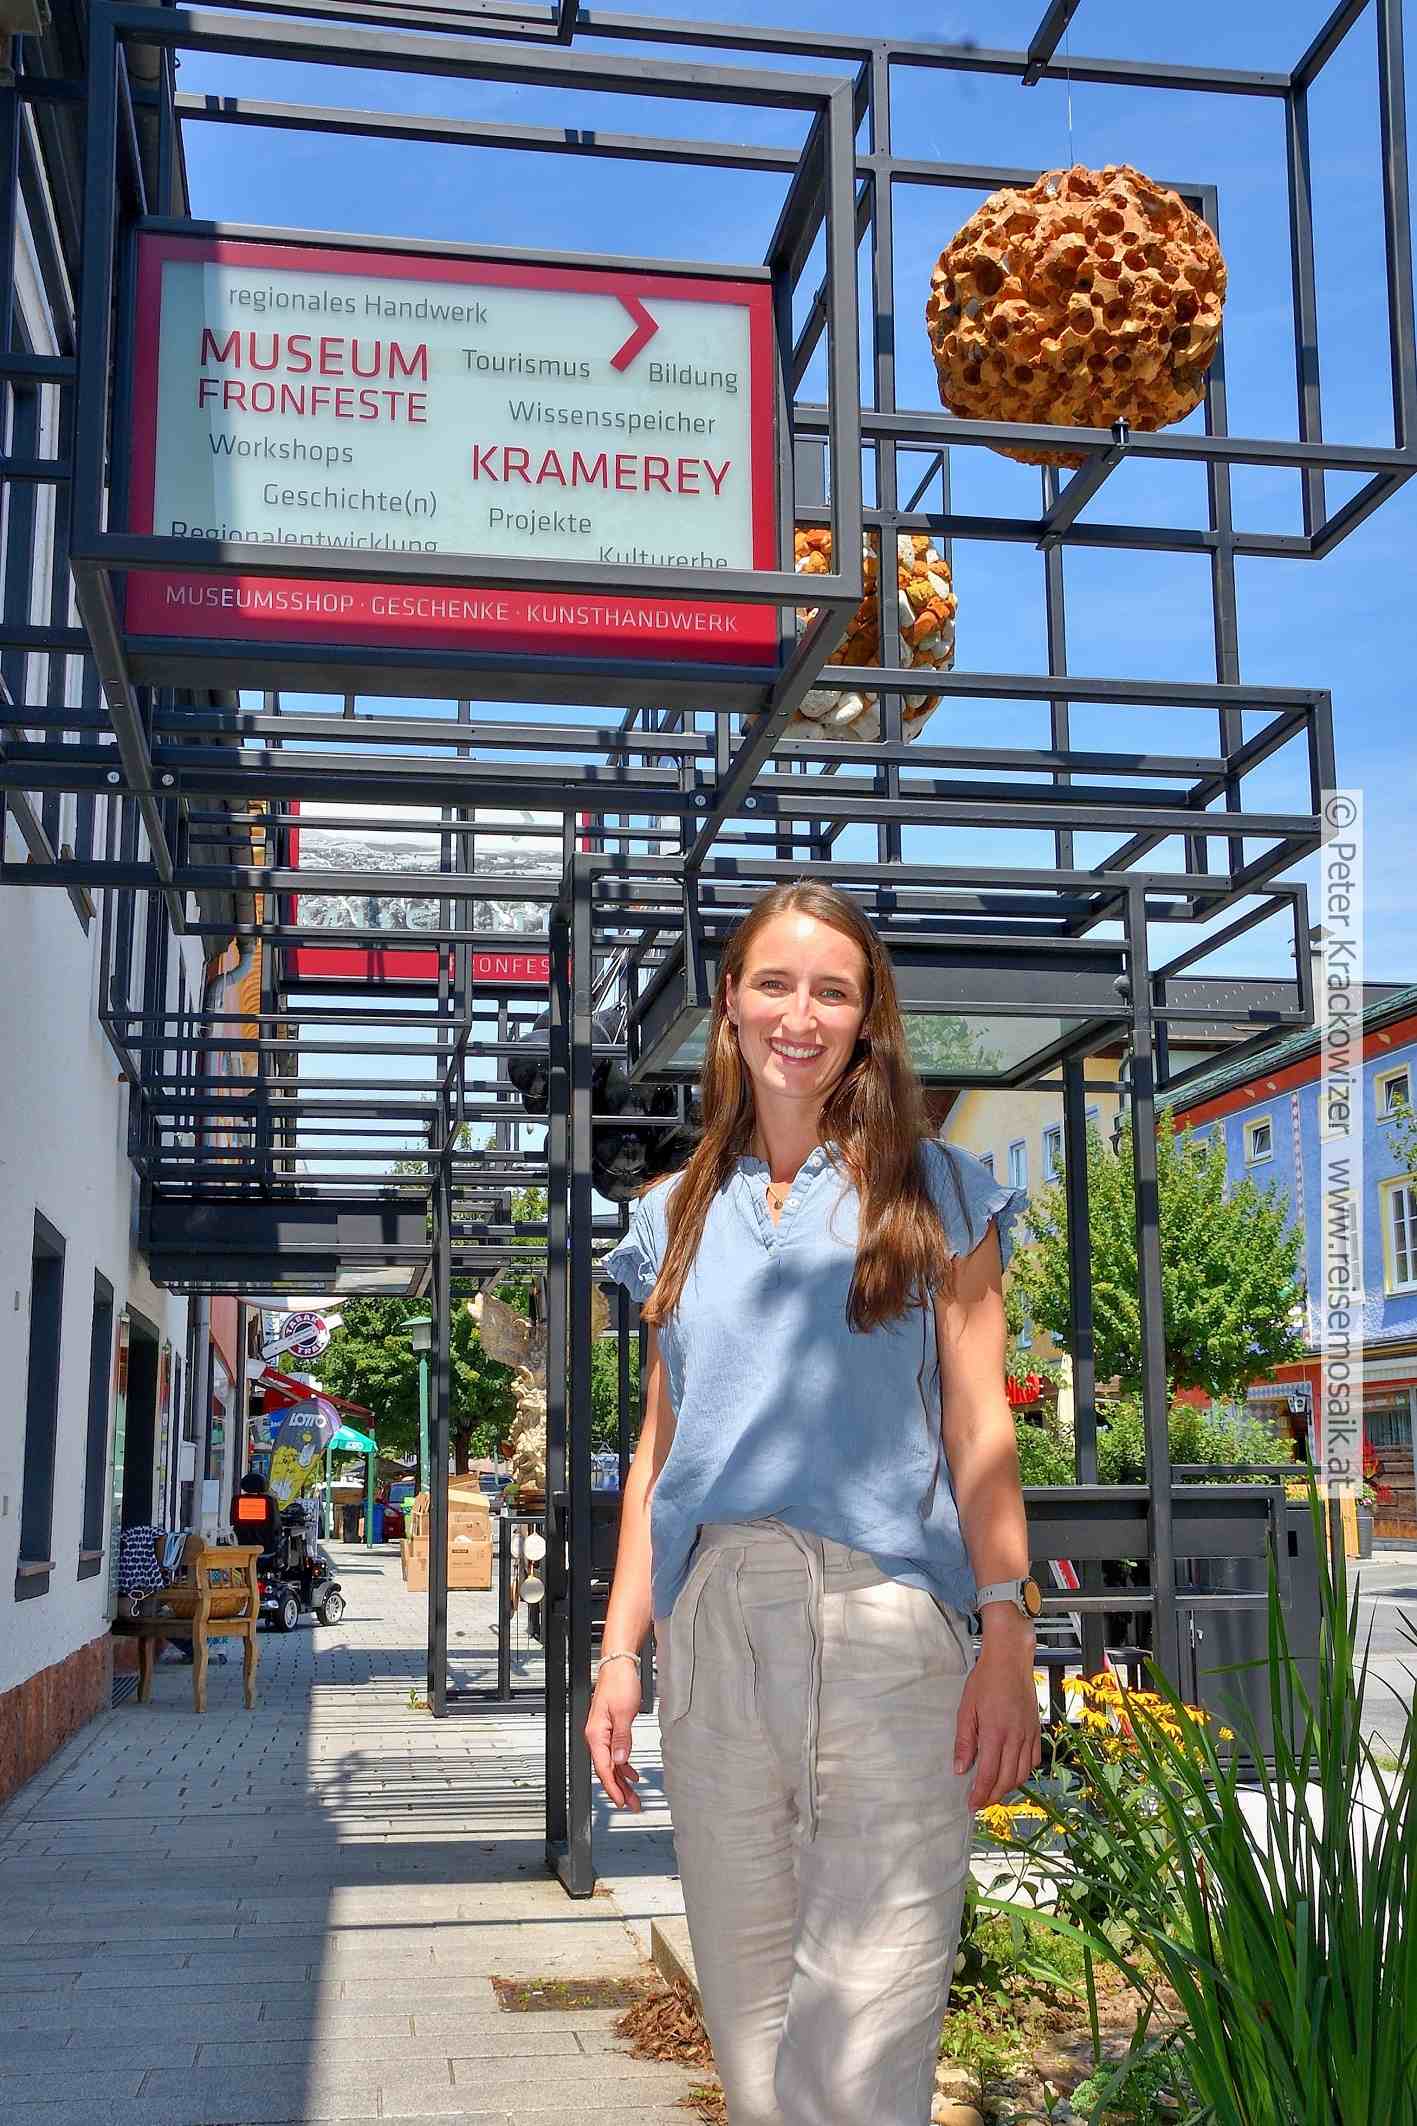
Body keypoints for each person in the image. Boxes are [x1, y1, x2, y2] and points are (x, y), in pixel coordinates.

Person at [591, 880, 1042, 2126]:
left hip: (888, 1626)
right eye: (775, 984)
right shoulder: (672, 1214)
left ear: (865, 1018)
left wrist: (1008, 1627)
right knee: (754, 2054)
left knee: (855, 2061)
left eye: (831, 991)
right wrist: (620, 1651)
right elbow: (658, 1448)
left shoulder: (935, 1188)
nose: (801, 1014)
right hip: (716, 1628)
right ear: (730, 1005)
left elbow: (978, 1423)